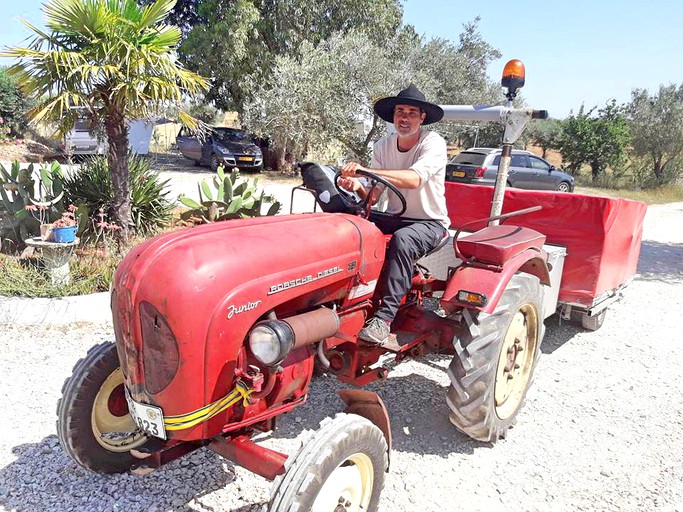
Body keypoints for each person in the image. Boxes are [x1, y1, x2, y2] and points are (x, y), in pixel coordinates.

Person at [339, 84, 450, 345]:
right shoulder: (383, 146)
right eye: (401, 111)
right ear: (393, 116)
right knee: (348, 223)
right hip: (396, 216)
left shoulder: (432, 143)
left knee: (403, 240)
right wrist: (357, 185)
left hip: (429, 222)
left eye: (412, 113)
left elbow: (413, 179)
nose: (405, 118)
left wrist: (366, 171)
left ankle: (383, 319)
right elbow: (374, 196)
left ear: (422, 118)